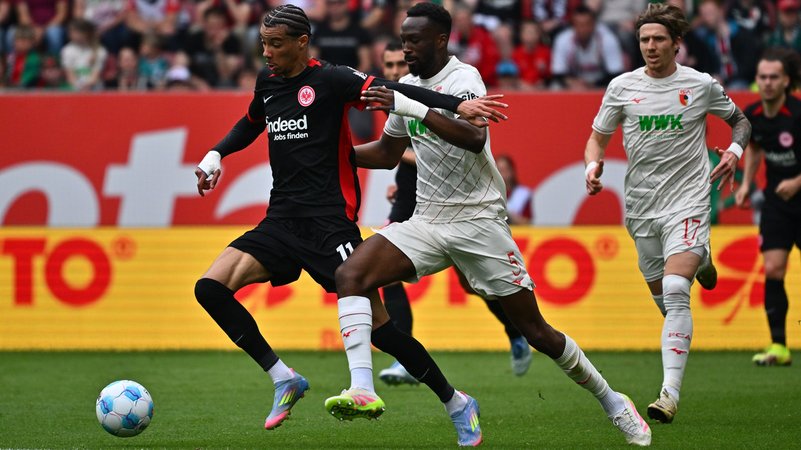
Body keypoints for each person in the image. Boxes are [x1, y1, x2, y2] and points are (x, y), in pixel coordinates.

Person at [333, 3, 652, 446]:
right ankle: (363, 389)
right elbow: (388, 155)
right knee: (350, 275)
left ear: (441, 39)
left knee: (535, 331)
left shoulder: (463, 80)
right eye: (403, 39)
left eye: (415, 40)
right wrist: (332, 155)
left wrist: (411, 105)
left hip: (479, 220)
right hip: (428, 217)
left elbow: (474, 137)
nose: (406, 48)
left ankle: (614, 401)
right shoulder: (405, 86)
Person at [192, 3, 507, 434]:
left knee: (383, 332)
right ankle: (283, 377)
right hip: (280, 220)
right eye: (263, 43)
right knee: (209, 288)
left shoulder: (333, 79)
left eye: (276, 44)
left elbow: (397, 92)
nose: (266, 52)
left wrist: (458, 105)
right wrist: (216, 154)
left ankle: (456, 402)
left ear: (302, 43)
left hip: (330, 224)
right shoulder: (267, 83)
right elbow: (250, 123)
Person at [584, 3, 751, 424]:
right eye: (644, 40)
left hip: (689, 200)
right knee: (665, 300)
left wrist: (733, 151)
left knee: (677, 288)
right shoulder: (621, 87)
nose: (651, 46)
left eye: (659, 39)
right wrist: (593, 164)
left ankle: (668, 395)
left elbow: (741, 122)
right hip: (642, 208)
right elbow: (597, 139)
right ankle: (704, 257)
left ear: (677, 43)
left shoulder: (700, 84)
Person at [375, 41, 533, 387]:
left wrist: (403, 158)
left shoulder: (437, 91)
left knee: (470, 282)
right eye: (387, 66)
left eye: (398, 64)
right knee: (383, 275)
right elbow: (395, 149)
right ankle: (405, 359)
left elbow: (444, 145)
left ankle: (516, 329)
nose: (392, 72)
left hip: (459, 203)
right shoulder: (398, 103)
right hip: (412, 198)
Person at [735, 48, 801, 367]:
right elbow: (756, 150)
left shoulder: (798, 114)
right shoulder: (754, 115)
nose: (768, 83)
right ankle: (779, 346)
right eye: (763, 77)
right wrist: (747, 183)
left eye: (775, 77)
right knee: (773, 269)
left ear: (786, 81)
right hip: (777, 204)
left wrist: (798, 181)